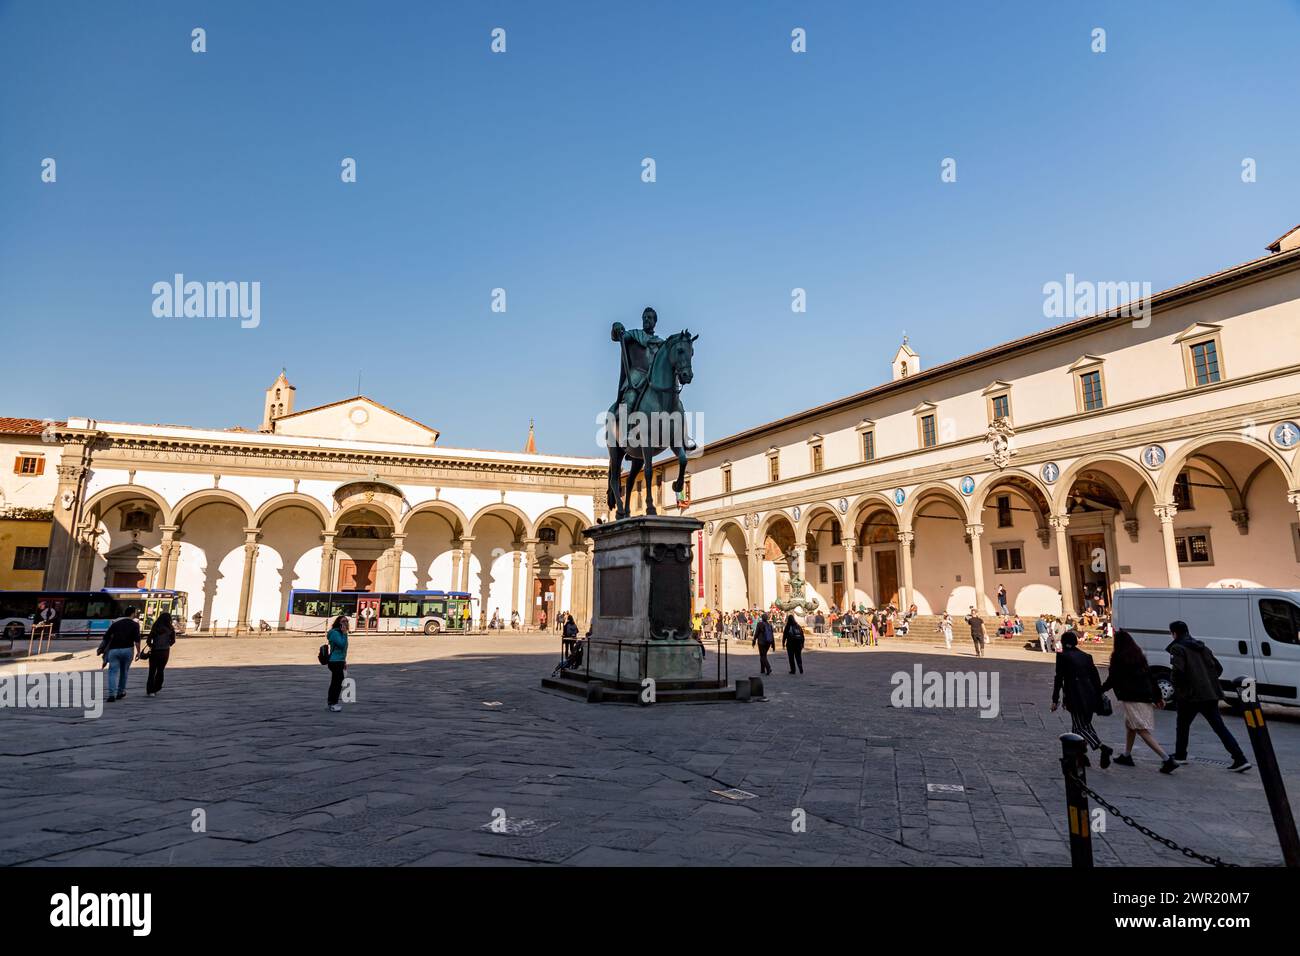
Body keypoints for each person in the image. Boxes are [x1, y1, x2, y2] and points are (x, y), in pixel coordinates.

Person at [1167, 621, 1251, 772]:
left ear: (1174, 633)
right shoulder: (1202, 647)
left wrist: (1180, 688)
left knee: (1182, 725)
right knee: (1219, 727)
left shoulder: (1178, 648)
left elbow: (1177, 672)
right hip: (1210, 694)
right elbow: (1218, 668)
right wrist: (1206, 680)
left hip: (1191, 696)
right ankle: (1240, 758)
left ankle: (1180, 755)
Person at [1101, 629, 1178, 773]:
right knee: (1130, 725)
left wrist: (1100, 690)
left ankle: (1166, 759)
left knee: (1141, 729)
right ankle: (1127, 755)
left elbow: (1113, 679)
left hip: (1131, 697)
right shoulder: (1138, 656)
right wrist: (1157, 697)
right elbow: (1150, 677)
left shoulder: (1118, 657)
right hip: (1144, 696)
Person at [1051, 630, 1114, 767]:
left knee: (1080, 728)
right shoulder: (1086, 656)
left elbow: (1058, 679)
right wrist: (1099, 694)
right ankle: (1081, 755)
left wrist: (1055, 699)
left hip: (1075, 697)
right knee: (1080, 726)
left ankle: (1102, 747)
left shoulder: (1063, 657)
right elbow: (1095, 678)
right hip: (1090, 696)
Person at [99, 608, 142, 702]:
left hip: (114, 650)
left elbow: (106, 637)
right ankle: (120, 692)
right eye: (135, 613)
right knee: (124, 672)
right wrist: (138, 652)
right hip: (128, 650)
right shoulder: (135, 624)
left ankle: (111, 695)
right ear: (132, 614)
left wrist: (102, 649)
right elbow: (137, 640)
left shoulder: (115, 623)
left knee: (112, 672)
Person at [145, 611, 176, 698]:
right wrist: (167, 644)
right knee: (160, 670)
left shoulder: (155, 627)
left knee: (152, 671)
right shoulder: (170, 629)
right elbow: (173, 641)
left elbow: (148, 640)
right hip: (165, 652)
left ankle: (150, 690)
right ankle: (156, 687)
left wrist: (153, 645)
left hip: (155, 651)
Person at [326, 614, 349, 713]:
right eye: (343, 621)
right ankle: (333, 703)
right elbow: (341, 645)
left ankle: (332, 702)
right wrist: (344, 633)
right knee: (337, 682)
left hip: (339, 661)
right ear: (338, 623)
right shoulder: (335, 633)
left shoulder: (342, 633)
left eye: (347, 621)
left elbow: (344, 650)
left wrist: (344, 661)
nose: (345, 623)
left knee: (337, 682)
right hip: (334, 661)